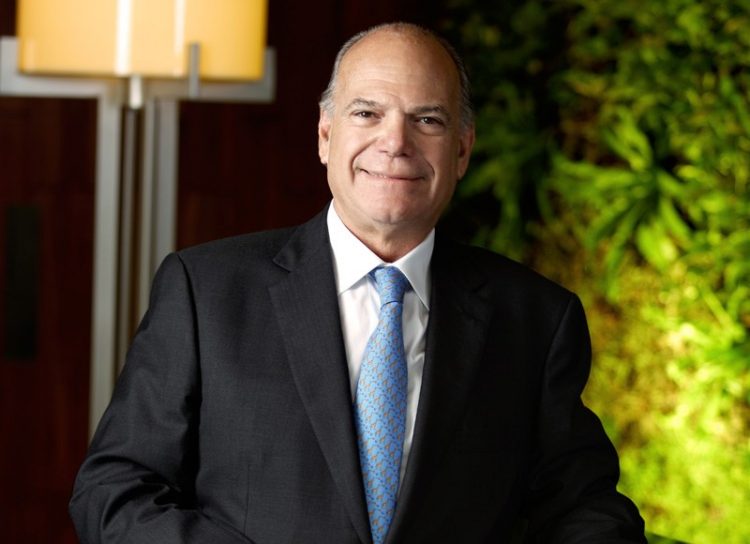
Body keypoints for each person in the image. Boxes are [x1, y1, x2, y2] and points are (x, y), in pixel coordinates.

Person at [70, 22, 647, 543]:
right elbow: (115, 489)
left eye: (427, 119)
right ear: (325, 135)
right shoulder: (207, 292)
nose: (395, 142)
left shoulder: (536, 319)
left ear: (463, 149)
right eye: (367, 113)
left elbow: (583, 507)